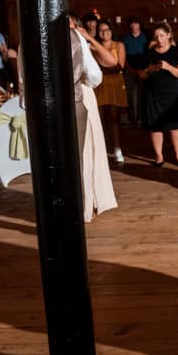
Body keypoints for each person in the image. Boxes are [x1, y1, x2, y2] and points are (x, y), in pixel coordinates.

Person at [69, 14, 118, 222]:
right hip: (82, 91)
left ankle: (94, 198)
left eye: (72, 24)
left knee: (91, 147)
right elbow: (95, 77)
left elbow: (111, 61)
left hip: (82, 93)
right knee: (86, 149)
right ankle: (87, 201)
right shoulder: (75, 41)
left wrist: (89, 39)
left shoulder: (82, 41)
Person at [134, 22, 178, 165]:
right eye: (156, 36)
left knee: (175, 126)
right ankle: (159, 156)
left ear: (169, 36)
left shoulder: (176, 52)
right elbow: (141, 75)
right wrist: (149, 70)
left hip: (172, 94)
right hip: (154, 94)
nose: (159, 39)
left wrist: (168, 66)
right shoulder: (149, 53)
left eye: (162, 35)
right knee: (155, 126)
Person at [91, 21, 130, 165]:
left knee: (114, 118)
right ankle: (101, 149)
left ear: (111, 31)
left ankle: (117, 148)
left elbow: (120, 66)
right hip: (100, 83)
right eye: (101, 30)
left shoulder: (119, 45)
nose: (104, 32)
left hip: (115, 83)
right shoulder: (94, 46)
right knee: (99, 118)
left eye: (107, 29)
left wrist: (103, 70)